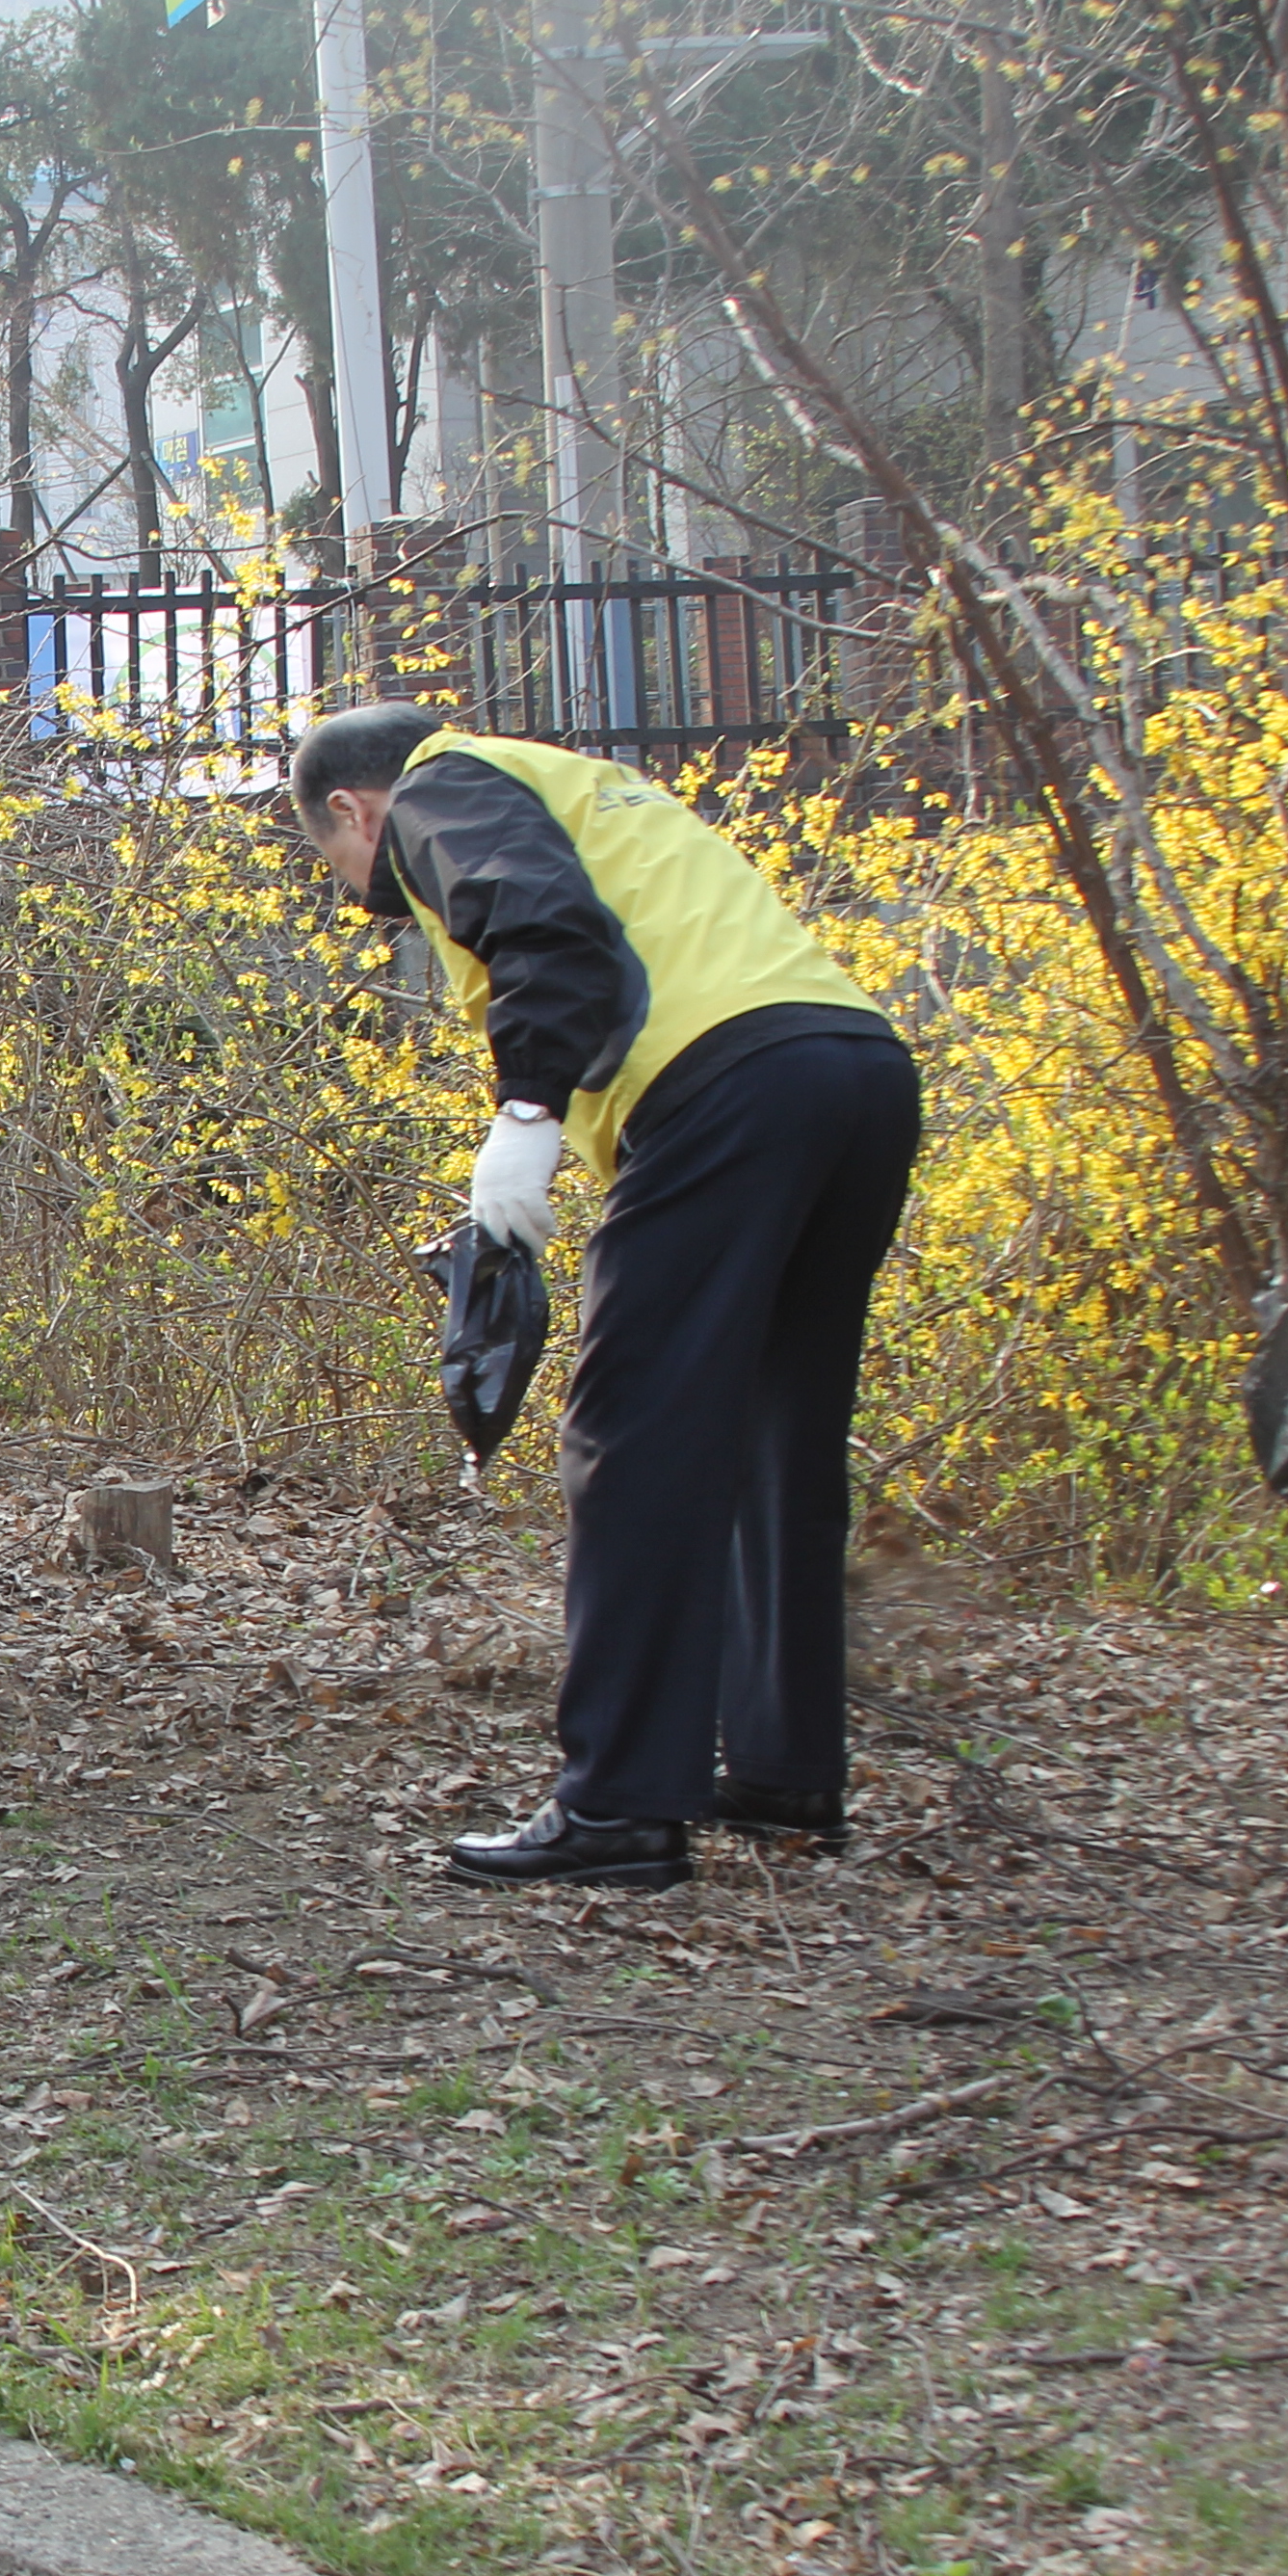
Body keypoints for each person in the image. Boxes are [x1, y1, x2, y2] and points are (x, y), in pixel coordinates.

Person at [290, 704, 920, 1891]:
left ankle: (623, 1805)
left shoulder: (437, 790)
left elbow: (548, 933)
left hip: (723, 1091)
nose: (350, 889)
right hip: (856, 1070)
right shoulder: (579, 780)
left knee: (631, 1435)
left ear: (348, 811)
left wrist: (524, 1117)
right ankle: (788, 1775)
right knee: (781, 1435)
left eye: (338, 865)